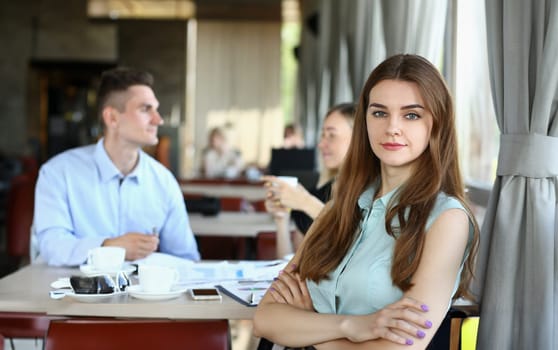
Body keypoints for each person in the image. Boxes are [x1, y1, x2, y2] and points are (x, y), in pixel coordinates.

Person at [253, 54, 480, 349]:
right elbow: (266, 320)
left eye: (411, 115)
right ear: (365, 121)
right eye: (379, 113)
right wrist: (353, 326)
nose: (392, 127)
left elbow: (396, 348)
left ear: (436, 125)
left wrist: (311, 324)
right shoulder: (339, 205)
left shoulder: (447, 220)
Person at [33, 67, 200, 267]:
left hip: (143, 296)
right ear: (112, 118)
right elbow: (52, 247)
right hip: (69, 295)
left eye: (156, 109)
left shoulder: (163, 181)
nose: (158, 119)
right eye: (145, 109)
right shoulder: (57, 173)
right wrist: (110, 246)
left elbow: (185, 258)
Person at [262, 103, 356, 258]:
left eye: (331, 135)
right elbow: (291, 266)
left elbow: (354, 247)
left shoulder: (373, 195)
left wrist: (306, 202)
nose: (321, 144)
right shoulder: (319, 193)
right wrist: (282, 220)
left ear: (358, 140)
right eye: (322, 135)